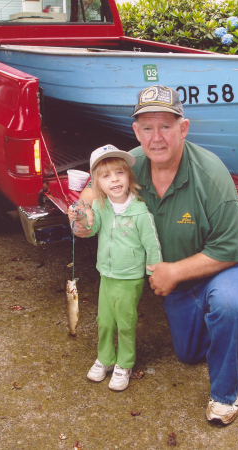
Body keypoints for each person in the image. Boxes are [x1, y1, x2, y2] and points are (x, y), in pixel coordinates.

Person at [69, 85, 238, 424]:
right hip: (181, 274)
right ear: (136, 131)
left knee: (230, 304)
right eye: (147, 127)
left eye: (166, 126)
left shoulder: (211, 174)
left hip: (225, 260)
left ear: (183, 128)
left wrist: (174, 273)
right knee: (191, 354)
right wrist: (83, 210)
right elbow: (96, 184)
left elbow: (230, 247)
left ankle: (225, 395)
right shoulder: (133, 162)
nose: (157, 137)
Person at [70, 144, 162, 391]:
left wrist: (155, 272)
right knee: (105, 320)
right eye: (106, 176)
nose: (114, 180)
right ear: (97, 183)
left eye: (119, 173)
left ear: (129, 176)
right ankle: (106, 358)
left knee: (125, 321)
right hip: (106, 274)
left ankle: (124, 363)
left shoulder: (140, 211)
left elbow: (151, 244)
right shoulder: (101, 207)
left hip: (129, 277)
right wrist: (80, 218)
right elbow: (92, 229)